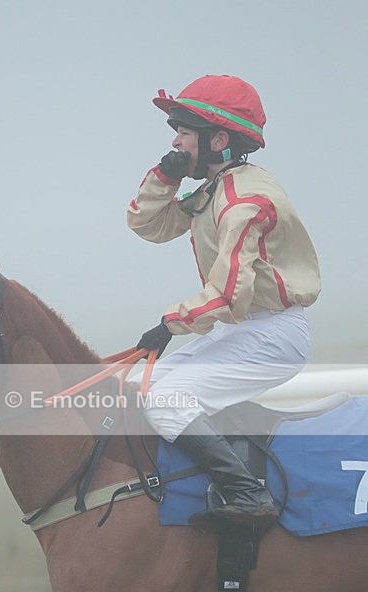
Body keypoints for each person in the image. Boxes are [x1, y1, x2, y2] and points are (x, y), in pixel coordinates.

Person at [128, 74, 320, 531]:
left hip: (273, 334)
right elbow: (146, 225)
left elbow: (230, 296)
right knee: (140, 384)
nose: (174, 140)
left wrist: (168, 324)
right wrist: (165, 176)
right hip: (245, 327)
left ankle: (248, 495)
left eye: (184, 133)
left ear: (218, 140)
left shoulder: (245, 200)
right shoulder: (218, 186)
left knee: (163, 395)